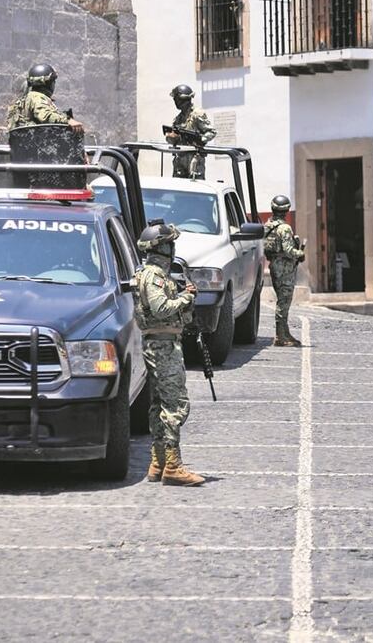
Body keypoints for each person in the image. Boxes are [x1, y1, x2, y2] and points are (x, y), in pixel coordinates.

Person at [134, 221, 204, 486]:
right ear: (161, 247)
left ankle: (158, 462)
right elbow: (162, 308)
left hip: (161, 342)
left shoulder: (152, 275)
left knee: (159, 404)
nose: (173, 248)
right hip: (162, 347)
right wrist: (185, 299)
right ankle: (173, 466)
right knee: (175, 404)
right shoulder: (155, 276)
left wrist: (186, 301)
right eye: (170, 243)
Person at [263, 195, 304, 347]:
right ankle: (281, 336)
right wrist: (300, 253)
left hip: (274, 264)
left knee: (282, 299)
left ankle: (285, 333)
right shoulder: (284, 228)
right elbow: (288, 250)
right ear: (286, 210)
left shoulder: (268, 225)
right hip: (284, 267)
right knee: (284, 301)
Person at [6, 63, 85, 134]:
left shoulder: (29, 97)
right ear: (48, 83)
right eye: (53, 81)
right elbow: (45, 116)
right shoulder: (36, 97)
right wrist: (68, 121)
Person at [166, 84, 216, 179]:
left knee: (196, 187)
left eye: (177, 99)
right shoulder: (178, 119)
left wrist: (200, 140)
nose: (176, 102)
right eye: (175, 100)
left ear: (184, 100)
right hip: (180, 161)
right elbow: (173, 140)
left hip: (194, 160)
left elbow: (211, 132)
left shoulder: (197, 114)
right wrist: (171, 138)